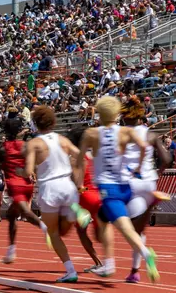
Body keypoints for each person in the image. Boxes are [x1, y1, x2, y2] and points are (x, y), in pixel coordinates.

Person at [76, 96, 160, 283]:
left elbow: (80, 161)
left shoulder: (91, 133)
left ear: (99, 113)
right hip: (125, 186)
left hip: (108, 188)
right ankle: (109, 263)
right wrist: (138, 168)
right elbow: (144, 147)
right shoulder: (124, 132)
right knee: (103, 218)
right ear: (116, 113)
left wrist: (80, 184)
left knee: (125, 228)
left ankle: (146, 255)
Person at [22, 105, 86, 283]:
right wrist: (78, 180)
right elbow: (81, 156)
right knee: (64, 229)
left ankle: (70, 270)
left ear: (35, 123)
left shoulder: (33, 144)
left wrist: (21, 172)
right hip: (68, 186)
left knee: (53, 233)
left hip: (49, 188)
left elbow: (28, 171)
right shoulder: (62, 139)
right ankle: (76, 212)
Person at [119, 97, 171, 283]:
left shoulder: (121, 133)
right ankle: (134, 271)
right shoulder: (150, 134)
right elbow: (166, 158)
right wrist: (158, 172)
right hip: (150, 181)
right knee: (139, 230)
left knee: (129, 228)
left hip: (130, 182)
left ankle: (144, 256)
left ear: (124, 117)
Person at [0, 117, 50, 264]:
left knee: (25, 211)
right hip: (27, 184)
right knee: (11, 215)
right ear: (19, 130)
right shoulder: (26, 146)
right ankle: (11, 251)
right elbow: (35, 164)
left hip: (14, 183)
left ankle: (45, 228)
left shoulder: (2, 148)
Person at [67, 127, 103, 272]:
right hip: (97, 194)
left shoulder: (75, 158)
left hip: (83, 196)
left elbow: (76, 181)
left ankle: (98, 262)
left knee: (82, 231)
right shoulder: (92, 155)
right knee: (101, 232)